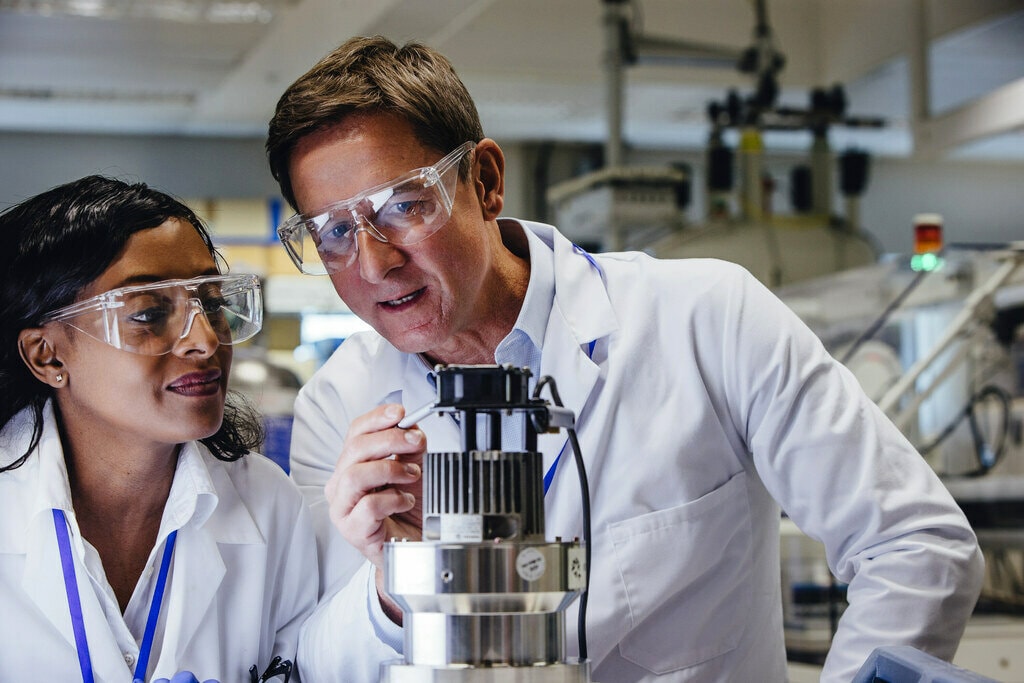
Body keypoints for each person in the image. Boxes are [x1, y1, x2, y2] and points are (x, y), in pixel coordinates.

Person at [265, 36, 984, 683]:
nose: (374, 261)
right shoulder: (340, 404)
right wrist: (392, 587)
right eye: (331, 232)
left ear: (484, 181)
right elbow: (315, 661)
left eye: (402, 204)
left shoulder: (705, 317)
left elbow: (916, 544)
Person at [0, 176, 318, 682]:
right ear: (47, 354)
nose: (204, 340)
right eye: (148, 314)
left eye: (212, 304)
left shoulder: (268, 504)